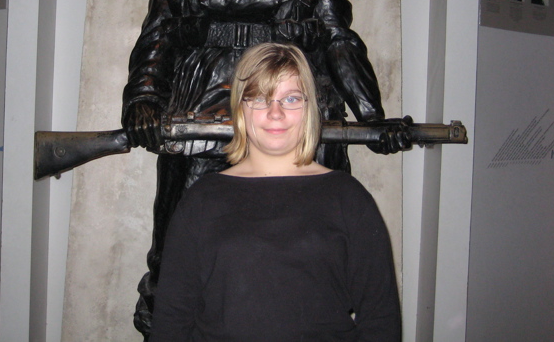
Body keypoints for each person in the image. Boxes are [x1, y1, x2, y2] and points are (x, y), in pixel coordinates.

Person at [123, 0, 409, 338]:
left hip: (285, 112)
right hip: (199, 115)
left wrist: (371, 117)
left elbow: (339, 39)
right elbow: (158, 36)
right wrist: (145, 97)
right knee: (176, 253)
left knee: (306, 243)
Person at [150, 43, 402, 341]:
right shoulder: (202, 200)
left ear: (309, 108)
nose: (275, 113)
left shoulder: (348, 197)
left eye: (291, 98)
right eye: (259, 98)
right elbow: (171, 321)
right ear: (240, 108)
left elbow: (380, 319)